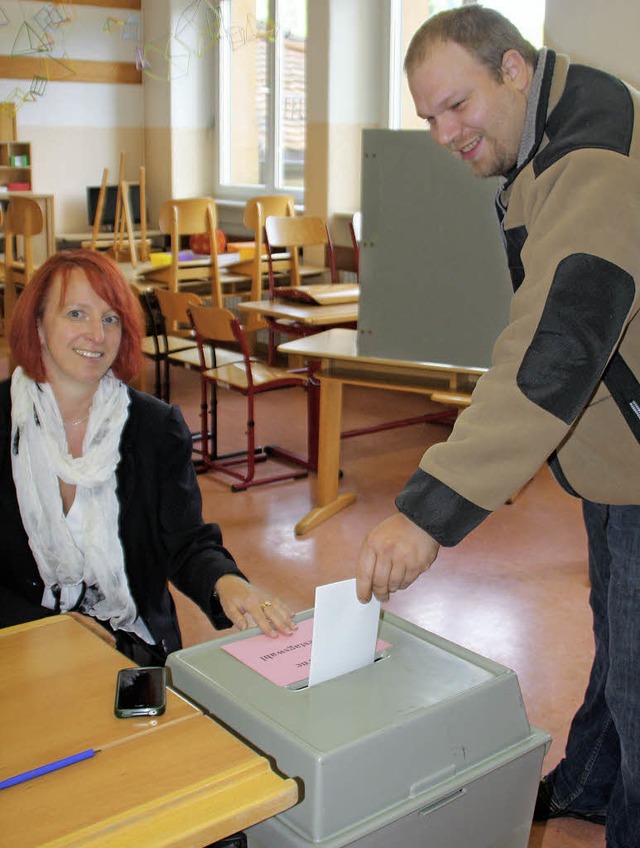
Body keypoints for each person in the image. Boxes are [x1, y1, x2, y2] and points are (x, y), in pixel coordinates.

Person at [355, 7, 640, 848]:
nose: (444, 134)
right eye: (427, 118)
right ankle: (592, 783)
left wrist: (427, 511)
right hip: (616, 463)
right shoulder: (560, 124)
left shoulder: (592, 157)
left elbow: (557, 343)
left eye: (456, 105)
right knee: (619, 632)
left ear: (514, 70)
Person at [0, 249, 296, 666]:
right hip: (17, 647)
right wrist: (52, 630)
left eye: (110, 319)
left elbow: (186, 542)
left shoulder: (155, 427)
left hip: (130, 648)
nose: (96, 335)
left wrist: (227, 583)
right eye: (76, 314)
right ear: (38, 325)